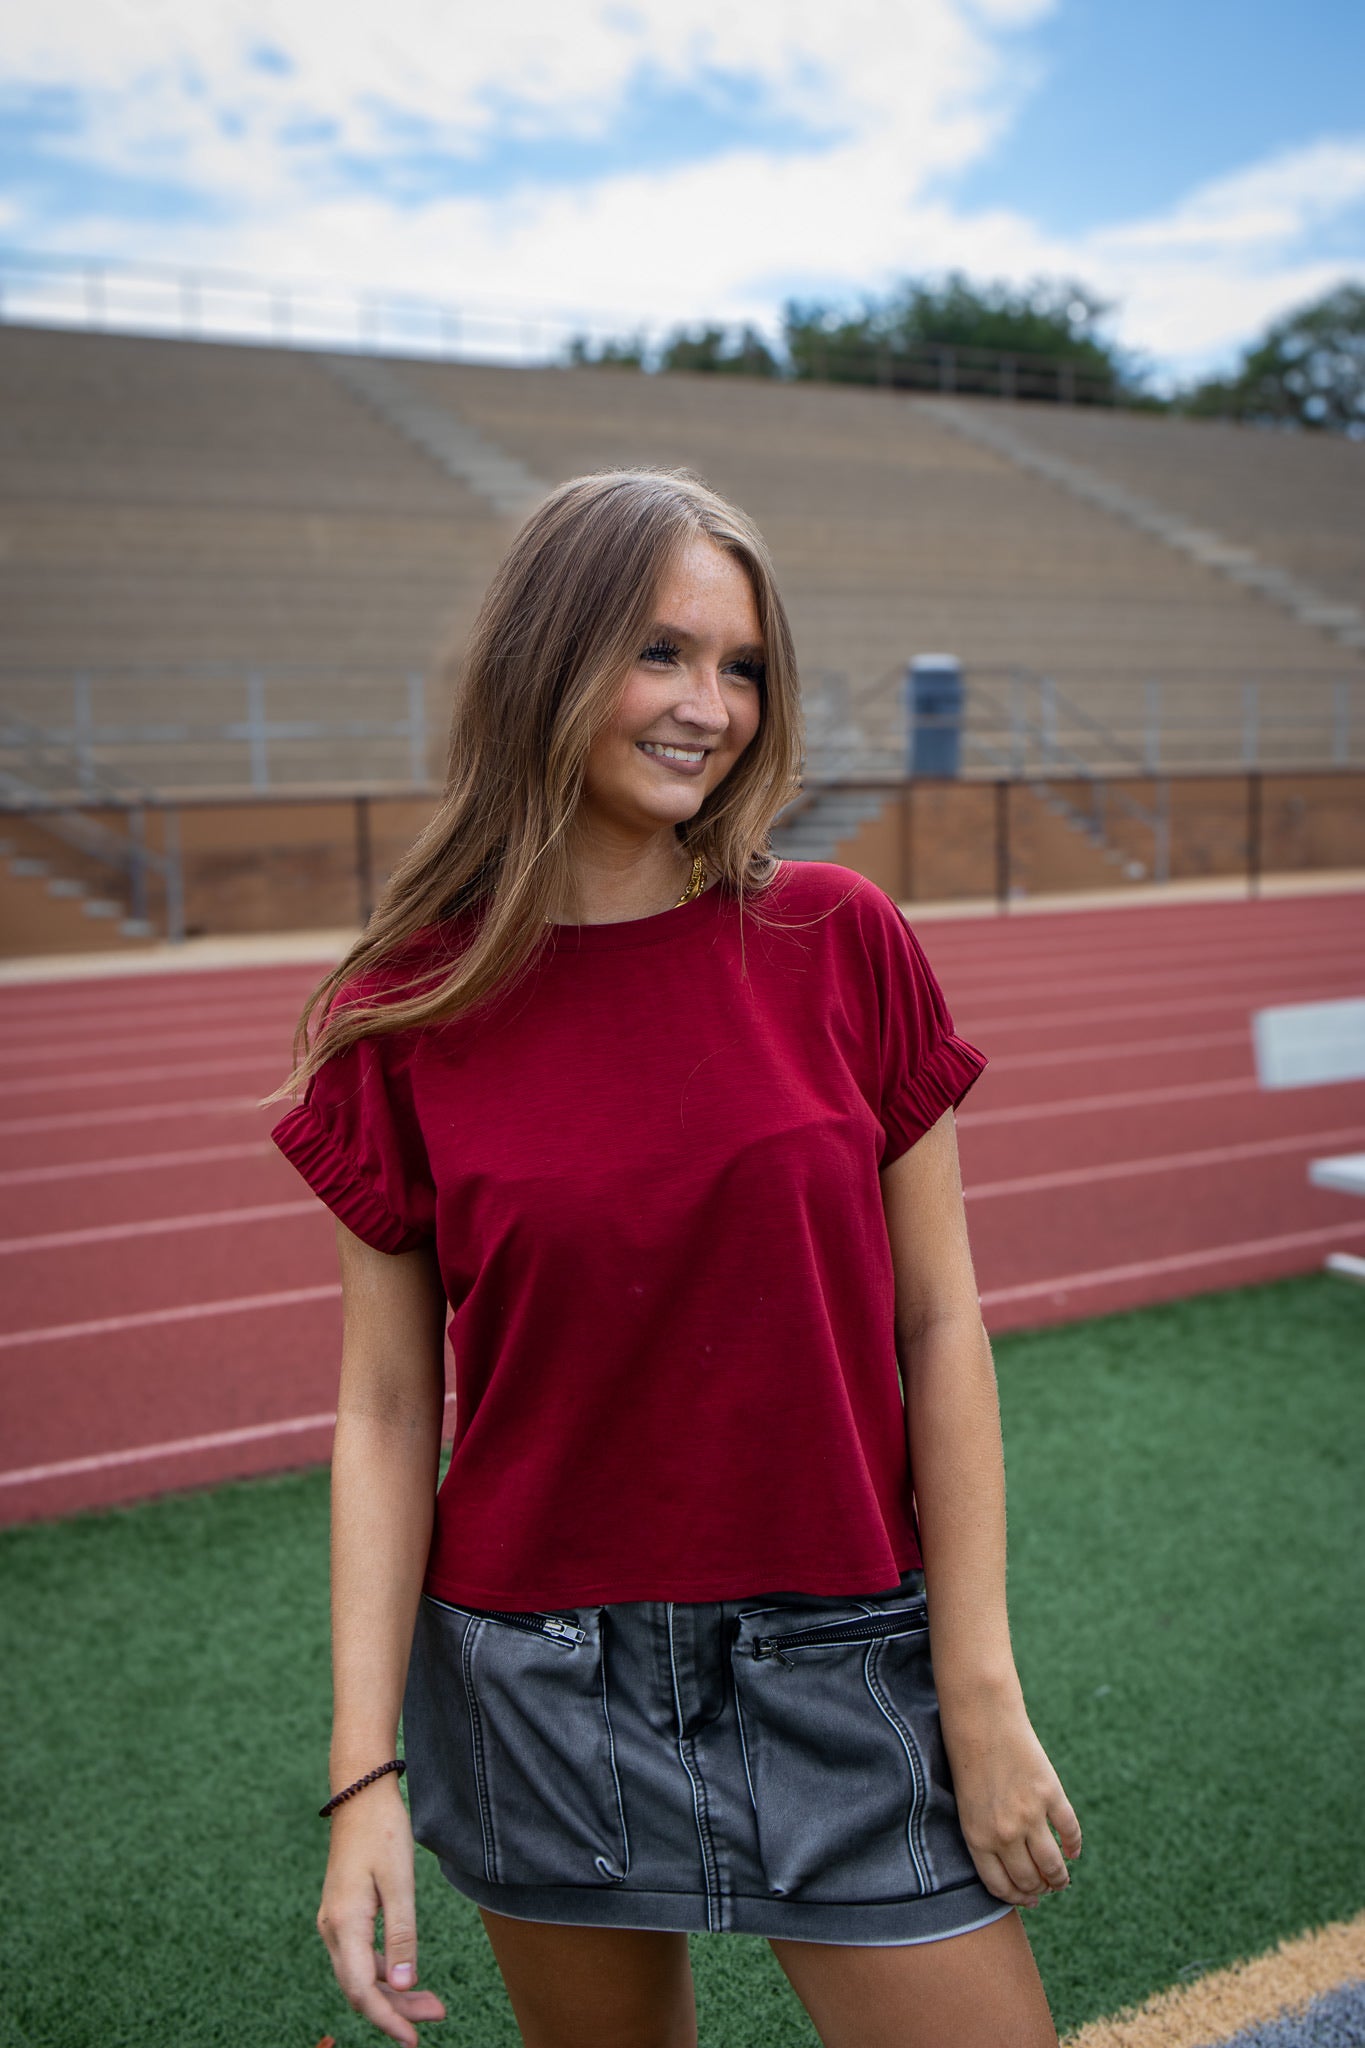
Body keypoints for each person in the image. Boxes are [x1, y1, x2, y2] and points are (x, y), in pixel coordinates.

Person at [270, 467, 1082, 2048]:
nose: (708, 706)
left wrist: (974, 1688)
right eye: (661, 653)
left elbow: (939, 1324)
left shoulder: (840, 941)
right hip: (536, 1685)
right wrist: (363, 1773)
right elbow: (382, 1412)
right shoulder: (407, 1013)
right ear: (548, 662)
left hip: (840, 1655)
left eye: (743, 667)